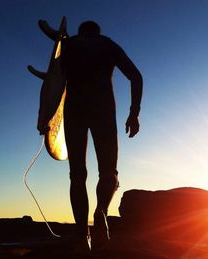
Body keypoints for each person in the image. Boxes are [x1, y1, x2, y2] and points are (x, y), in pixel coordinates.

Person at [62, 21, 143, 253]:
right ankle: (101, 215)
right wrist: (134, 113)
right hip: (103, 111)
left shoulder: (68, 46)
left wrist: (46, 118)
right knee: (109, 172)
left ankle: (81, 234)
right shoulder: (107, 44)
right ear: (97, 31)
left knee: (77, 175)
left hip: (74, 111)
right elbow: (136, 76)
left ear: (81, 31)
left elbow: (52, 85)